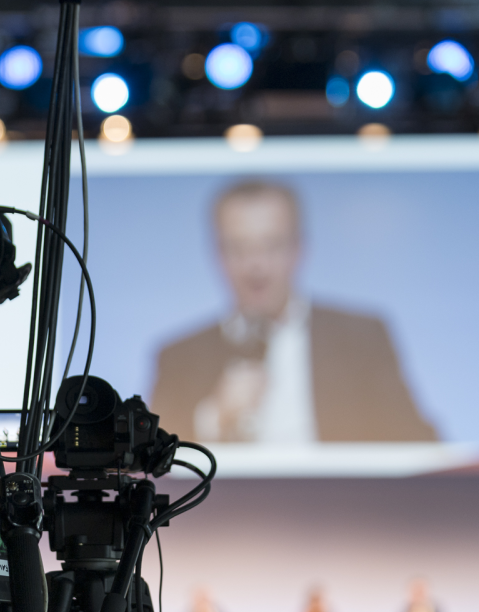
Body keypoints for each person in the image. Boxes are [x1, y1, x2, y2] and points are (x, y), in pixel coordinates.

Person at [151, 180, 437, 443]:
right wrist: (214, 418)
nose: (256, 266)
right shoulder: (179, 358)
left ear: (299, 248)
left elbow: (419, 445)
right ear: (217, 254)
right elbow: (146, 462)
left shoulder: (360, 339)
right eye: (239, 248)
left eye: (271, 246)